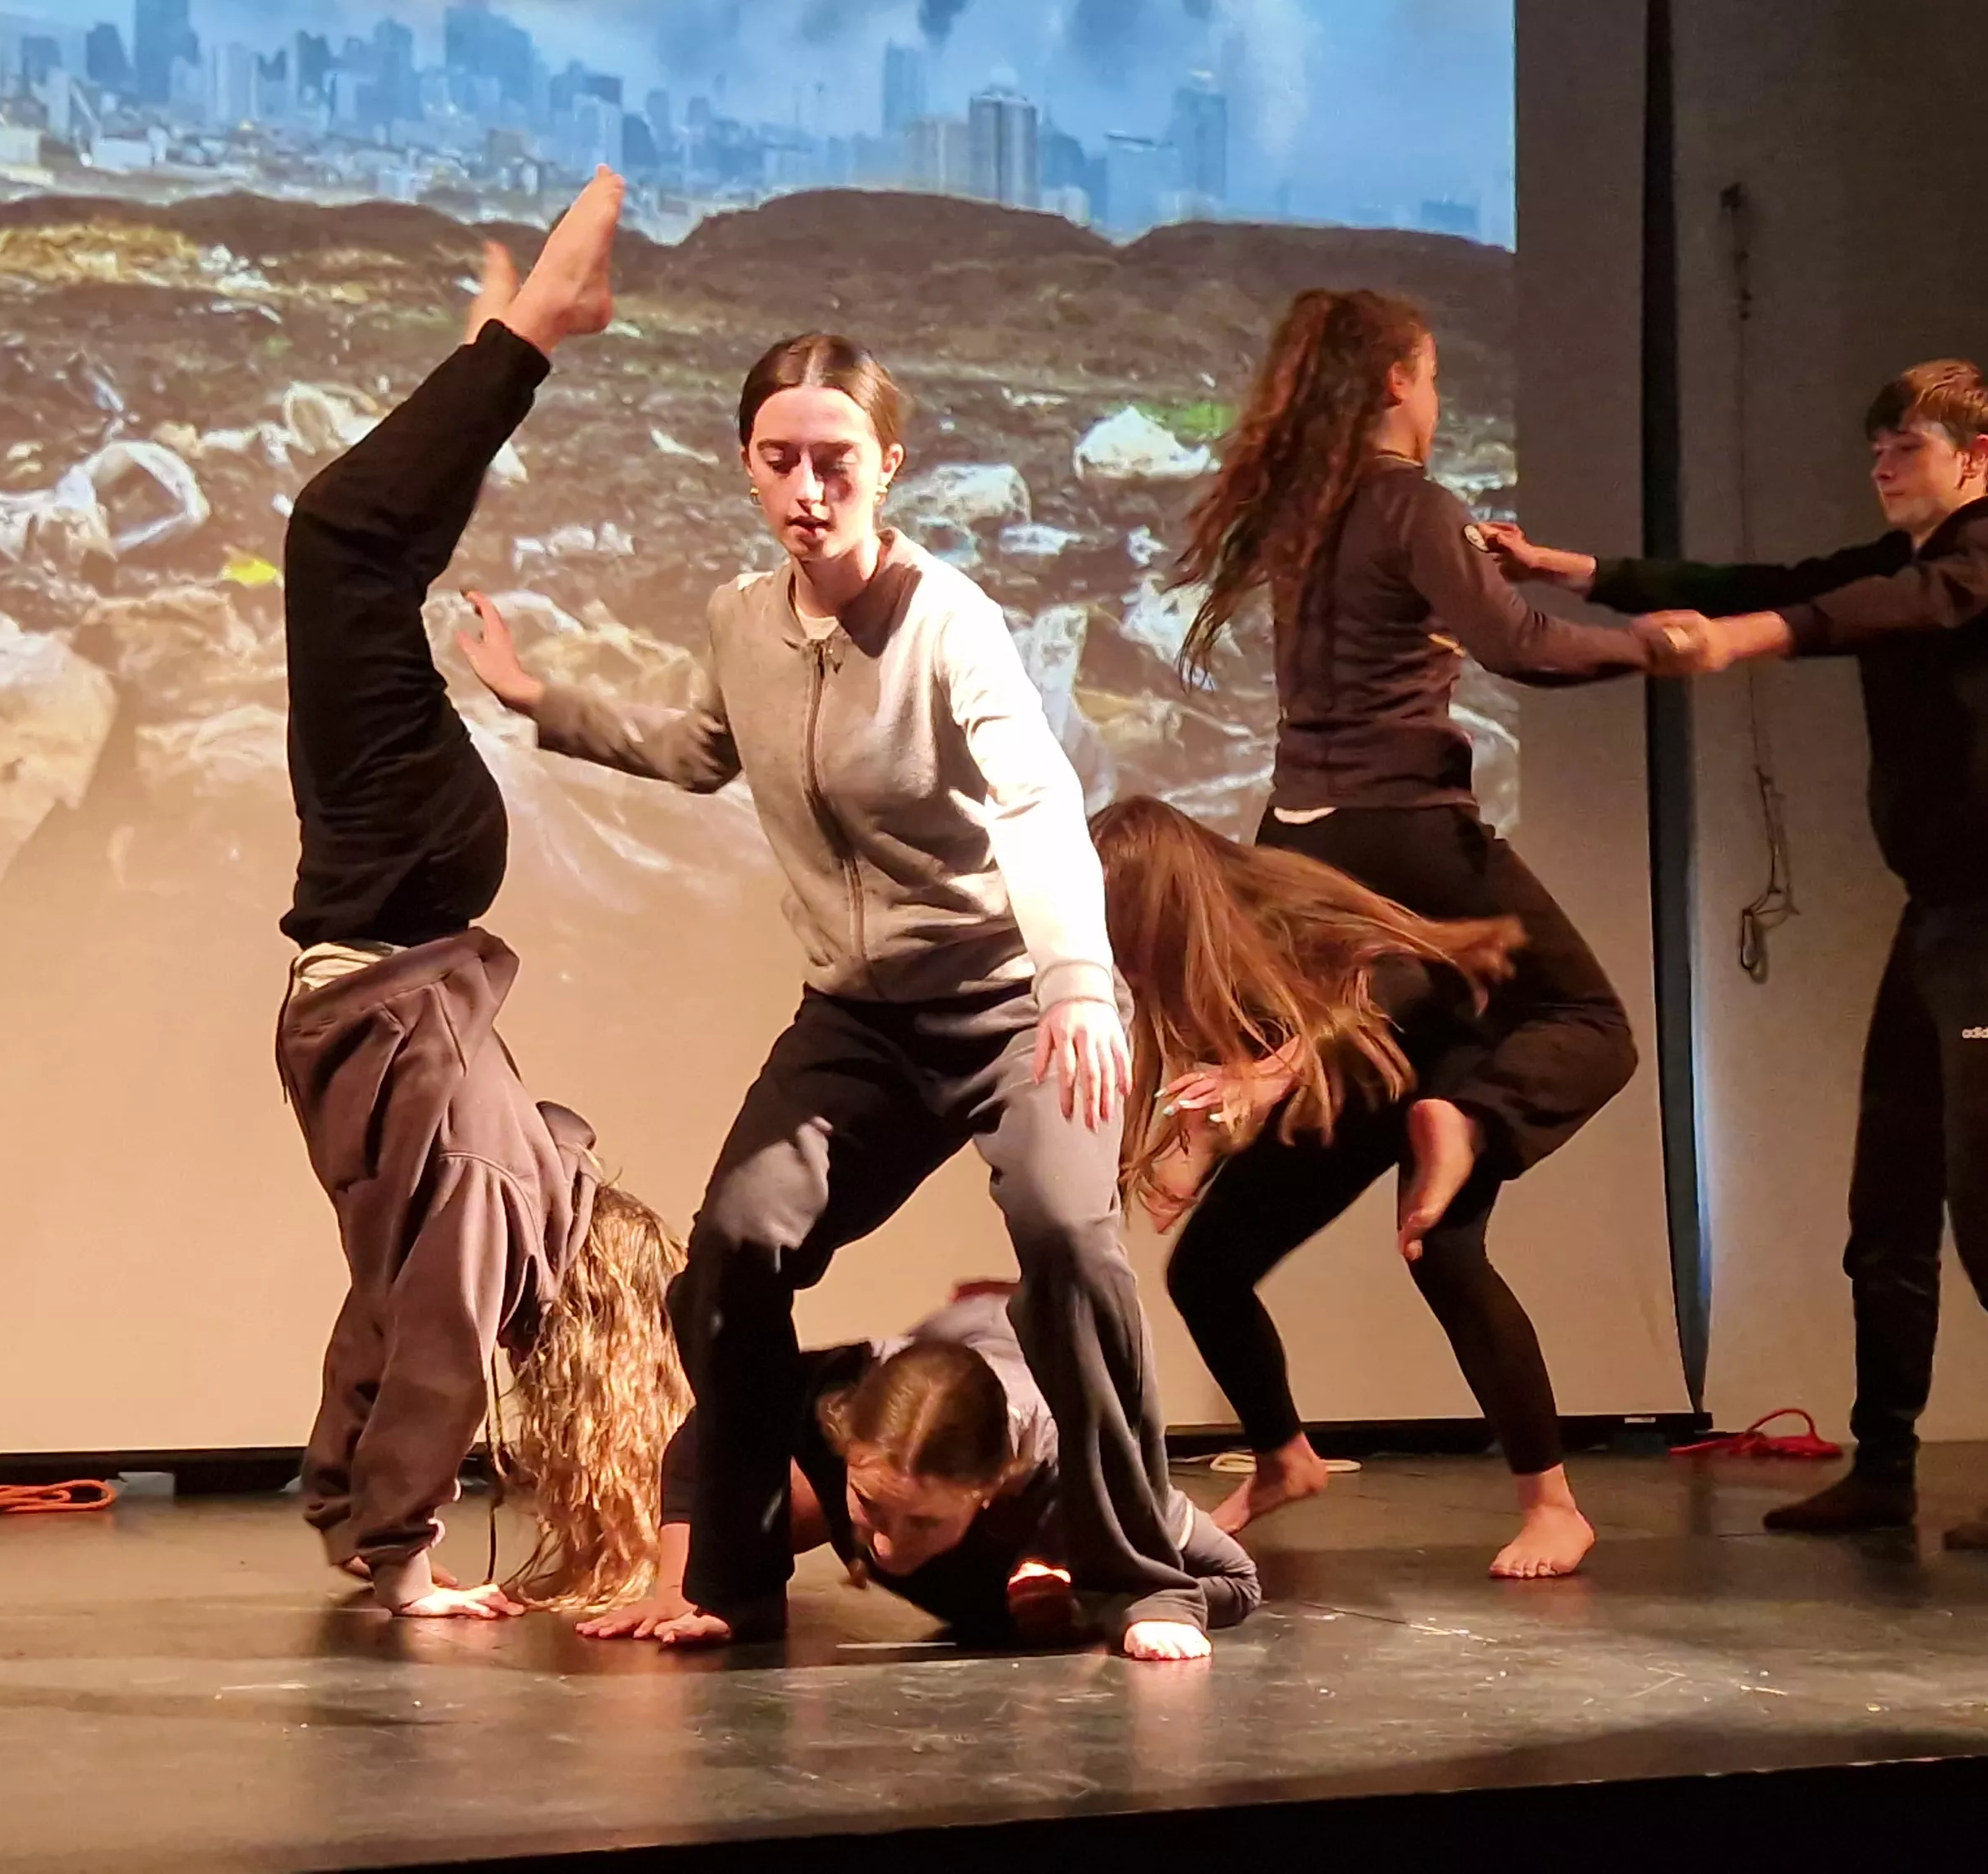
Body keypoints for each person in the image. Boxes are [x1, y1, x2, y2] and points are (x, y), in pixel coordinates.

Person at [454, 330, 1222, 1663]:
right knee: (734, 1250)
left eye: (837, 462)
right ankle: (732, 1578)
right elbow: (701, 748)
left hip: (1009, 1008)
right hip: (860, 1023)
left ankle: (1144, 1577)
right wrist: (538, 701)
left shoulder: (949, 623)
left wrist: (1076, 985)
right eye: (782, 461)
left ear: (889, 466)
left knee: (1067, 1237)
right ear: (749, 468)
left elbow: (1037, 803)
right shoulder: (743, 620)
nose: (809, 490)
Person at [1480, 359, 1988, 1549]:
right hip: (1936, 913)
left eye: (1907, 445)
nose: (1883, 464)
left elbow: (1891, 609)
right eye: (1876, 447)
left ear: (1976, 458)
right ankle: (1885, 1468)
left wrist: (1744, 642)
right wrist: (1576, 571)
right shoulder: (1901, 559)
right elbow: (1771, 583)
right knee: (1888, 1207)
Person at [1163, 287, 1649, 1569]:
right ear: (1395, 382)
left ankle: (1284, 1454)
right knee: (1591, 1026)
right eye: (1429, 377)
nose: (1434, 401)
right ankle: (1550, 1499)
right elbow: (1520, 646)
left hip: (1297, 861)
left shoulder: (1299, 510)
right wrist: (1658, 644)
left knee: (1214, 1265)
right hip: (1410, 847)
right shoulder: (1408, 502)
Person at [273, 170, 689, 1617]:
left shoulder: (493, 1181)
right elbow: (419, 1325)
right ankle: (517, 343)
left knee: (346, 554)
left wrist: (382, 1541)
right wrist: (370, 1530)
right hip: (392, 924)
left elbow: (410, 1325)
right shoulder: (503, 1176)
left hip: (384, 934)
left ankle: (525, 341)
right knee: (346, 555)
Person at [1096, 795, 1614, 1579]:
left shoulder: (1272, 902)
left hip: (1441, 1055)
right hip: (1355, 1077)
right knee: (1206, 1271)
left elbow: (1407, 980)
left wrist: (1272, 1076)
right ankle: (1283, 1460)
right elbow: (1237, 1059)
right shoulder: (1189, 959)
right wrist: (1196, 1144)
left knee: (1443, 1253)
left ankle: (1554, 1508)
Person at [580, 1284, 1259, 1648]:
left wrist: (1103, 1606)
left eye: (925, 1522)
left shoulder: (1081, 1476)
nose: (887, 1544)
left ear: (991, 1488)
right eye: (871, 1505)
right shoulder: (828, 1398)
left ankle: (1018, 1307)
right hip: (946, 1346)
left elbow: (1238, 1579)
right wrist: (687, 1586)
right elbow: (710, 1428)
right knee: (750, 1514)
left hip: (1027, 1385)